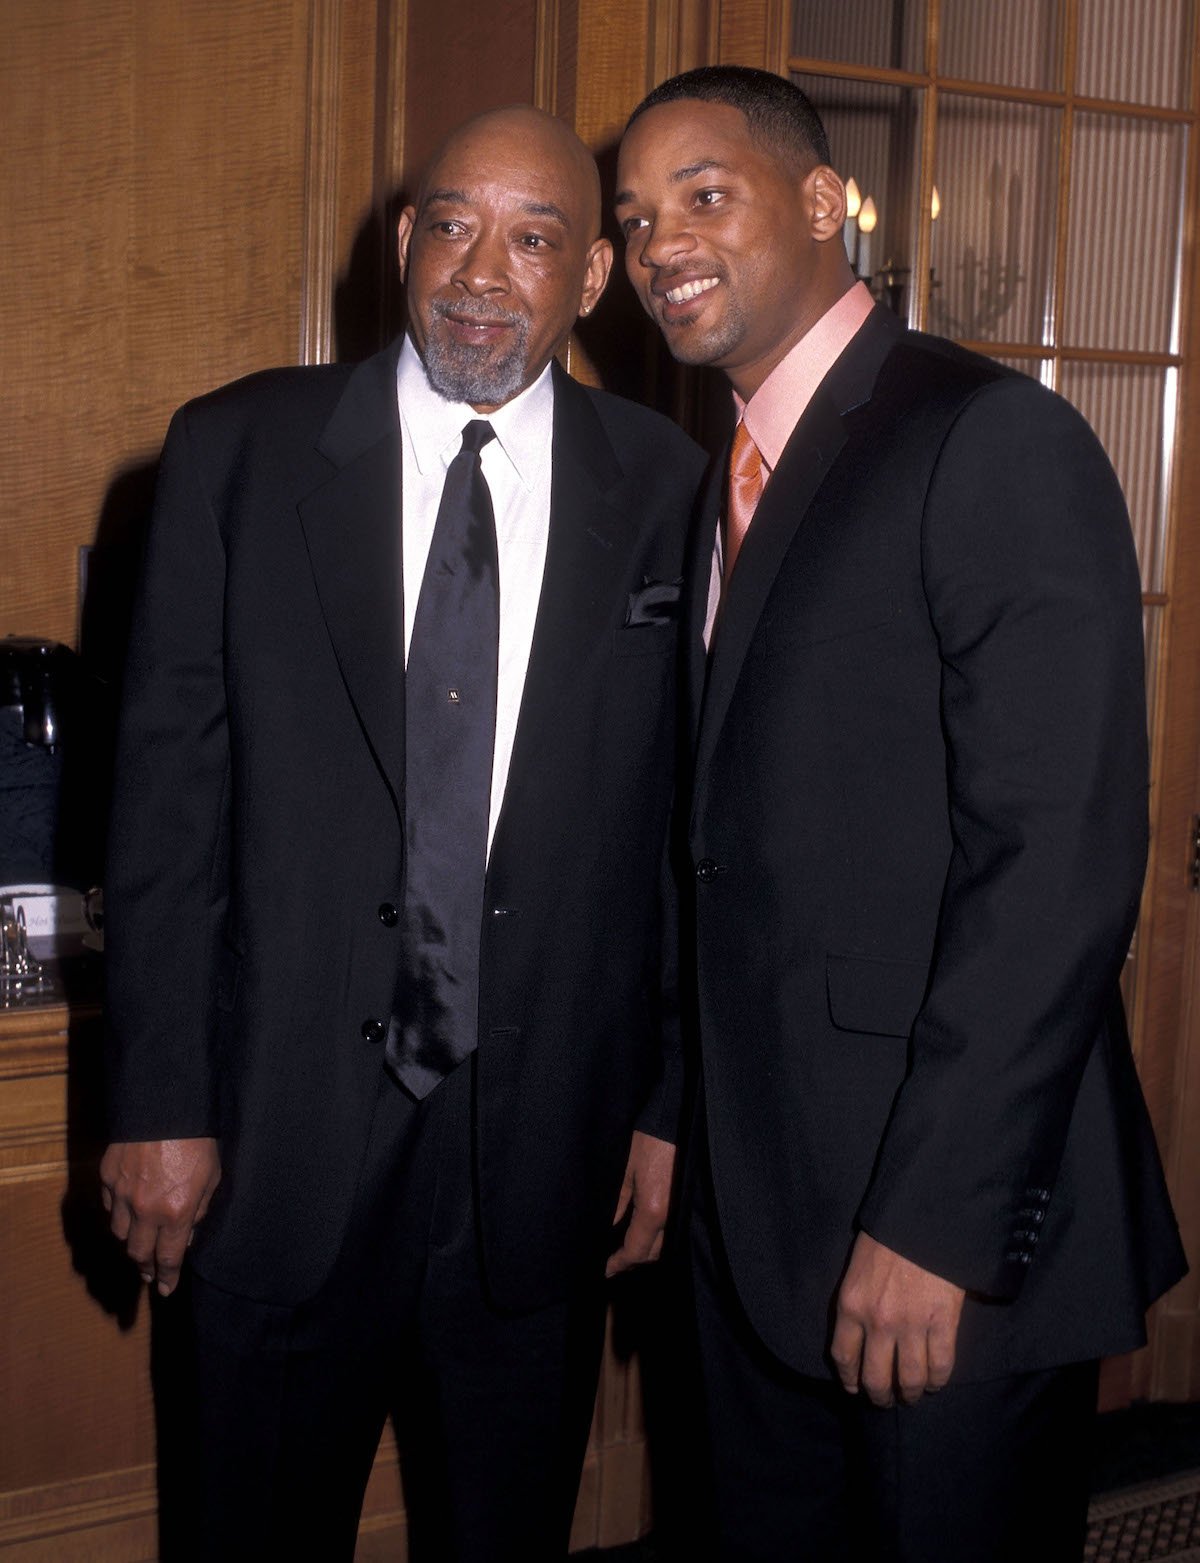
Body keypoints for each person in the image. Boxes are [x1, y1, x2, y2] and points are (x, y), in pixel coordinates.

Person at [100, 104, 704, 1562]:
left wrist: (669, 1102)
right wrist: (155, 1100)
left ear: (592, 282)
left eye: (536, 239)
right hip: (272, 1146)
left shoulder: (674, 496)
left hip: (540, 1162)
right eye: (452, 225)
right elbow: (165, 814)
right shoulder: (233, 453)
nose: (481, 274)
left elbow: (688, 839)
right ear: (400, 242)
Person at [615, 66, 1186, 1562]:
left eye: (704, 193)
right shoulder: (715, 487)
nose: (659, 239)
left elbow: (1055, 866)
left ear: (822, 204)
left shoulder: (988, 438)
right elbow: (721, 848)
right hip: (755, 1214)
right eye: (633, 215)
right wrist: (677, 1112)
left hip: (940, 1230)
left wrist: (936, 1221)